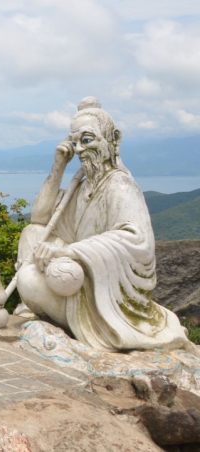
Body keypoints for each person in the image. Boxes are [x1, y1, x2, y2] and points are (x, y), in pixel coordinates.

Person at [15, 96, 190, 351]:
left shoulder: (120, 185)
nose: (79, 150)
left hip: (100, 292)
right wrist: (59, 165)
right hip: (74, 272)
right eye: (75, 143)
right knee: (31, 234)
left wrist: (68, 251)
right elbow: (40, 219)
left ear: (114, 139)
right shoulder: (84, 186)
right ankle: (32, 305)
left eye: (87, 140)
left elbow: (135, 240)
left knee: (29, 279)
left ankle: (75, 317)